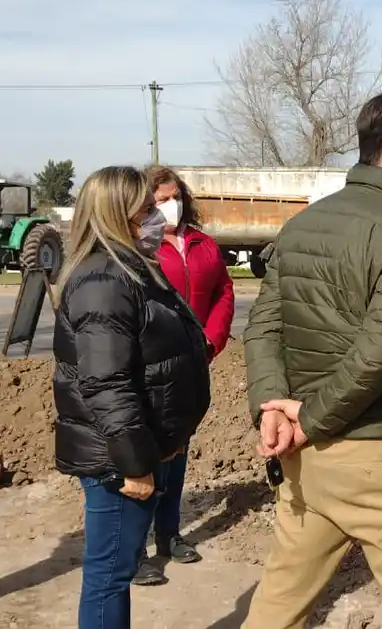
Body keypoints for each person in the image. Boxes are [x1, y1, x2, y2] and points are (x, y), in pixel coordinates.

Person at [242, 89, 382, 629]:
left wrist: (273, 408)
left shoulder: (304, 224)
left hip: (304, 460)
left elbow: (263, 326)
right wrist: (308, 420)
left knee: (276, 607)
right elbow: (379, 354)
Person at [51, 165, 211, 629]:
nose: (158, 217)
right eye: (147, 210)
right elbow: (107, 384)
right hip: (117, 461)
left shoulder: (131, 268)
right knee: (109, 575)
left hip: (139, 446)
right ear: (118, 215)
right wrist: (136, 464)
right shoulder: (104, 281)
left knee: (112, 570)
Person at [129, 166, 236, 586]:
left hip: (191, 366)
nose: (169, 205)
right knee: (146, 458)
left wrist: (210, 341)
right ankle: (133, 550)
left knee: (178, 453)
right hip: (151, 368)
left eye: (174, 196)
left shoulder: (203, 244)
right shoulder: (142, 249)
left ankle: (168, 535)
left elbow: (224, 292)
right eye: (159, 200)